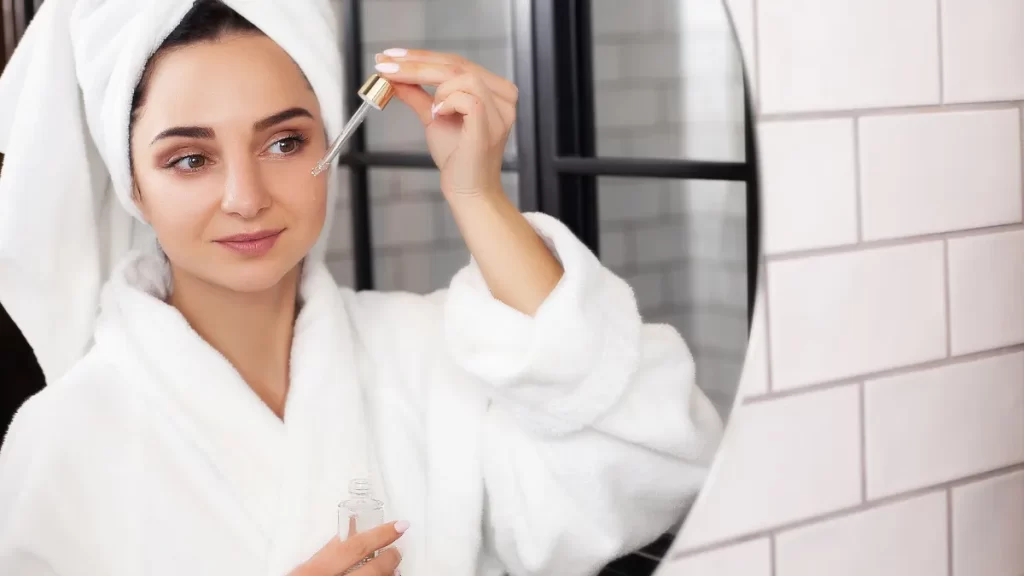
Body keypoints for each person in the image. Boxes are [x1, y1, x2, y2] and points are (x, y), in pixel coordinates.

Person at [0, 0, 724, 575]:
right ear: (132, 184)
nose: (246, 197)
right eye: (190, 159)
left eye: (285, 142)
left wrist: (476, 196)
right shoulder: (65, 438)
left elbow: (648, 462)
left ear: (331, 142)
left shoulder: (431, 357)